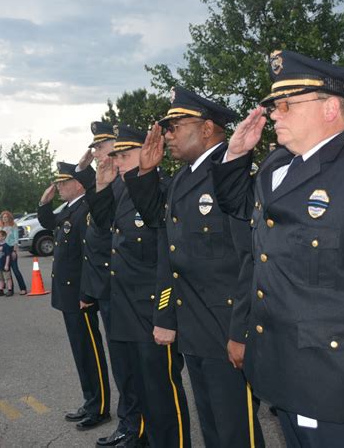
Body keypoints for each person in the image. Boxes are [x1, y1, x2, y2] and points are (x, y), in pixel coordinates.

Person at [212, 50, 344, 447]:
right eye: (275, 105)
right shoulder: (277, 166)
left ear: (330, 108)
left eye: (286, 104)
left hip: (338, 389)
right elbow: (241, 213)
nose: (276, 114)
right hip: (283, 375)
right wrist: (237, 154)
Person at [124, 87, 265, 448]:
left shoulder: (228, 172)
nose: (167, 135)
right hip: (196, 326)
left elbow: (249, 260)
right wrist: (144, 173)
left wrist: (241, 333)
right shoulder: (184, 177)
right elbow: (167, 242)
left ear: (206, 130)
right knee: (215, 429)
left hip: (227, 328)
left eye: (174, 126)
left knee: (237, 432)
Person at [88, 124, 191, 448]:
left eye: (125, 155)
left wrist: (164, 316)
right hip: (125, 310)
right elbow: (104, 229)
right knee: (138, 389)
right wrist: (102, 186)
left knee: (162, 396)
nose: (117, 162)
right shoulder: (119, 191)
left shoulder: (161, 192)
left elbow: (168, 263)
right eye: (116, 155)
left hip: (150, 312)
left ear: (148, 154)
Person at [78, 122, 144, 448]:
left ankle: (137, 428)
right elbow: (98, 236)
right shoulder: (109, 184)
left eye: (101, 147)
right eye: (95, 148)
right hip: (109, 289)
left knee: (133, 366)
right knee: (122, 366)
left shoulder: (131, 184)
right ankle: (130, 425)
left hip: (128, 290)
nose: (96, 153)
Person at [38, 161, 111, 431]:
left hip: (80, 294)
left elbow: (88, 254)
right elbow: (49, 222)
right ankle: (90, 400)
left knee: (90, 352)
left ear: (79, 184)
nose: (58, 186)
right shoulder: (70, 208)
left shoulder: (86, 209)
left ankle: (100, 406)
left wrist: (86, 292)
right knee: (80, 353)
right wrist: (44, 203)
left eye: (63, 182)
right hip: (68, 293)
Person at [0, 210, 27, 295]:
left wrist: (14, 250)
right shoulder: (1, 228)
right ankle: (10, 289)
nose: (5, 219)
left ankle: (23, 288)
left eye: (6, 217)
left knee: (15, 270)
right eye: (3, 217)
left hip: (11, 249)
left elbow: (16, 239)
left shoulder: (13, 226)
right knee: (6, 271)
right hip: (3, 250)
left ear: (9, 218)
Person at [0, 230, 13, 297]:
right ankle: (1, 290)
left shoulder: (6, 246)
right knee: (0, 278)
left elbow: (8, 255)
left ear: (3, 237)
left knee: (8, 278)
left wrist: (7, 264)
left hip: (4, 264)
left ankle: (10, 290)